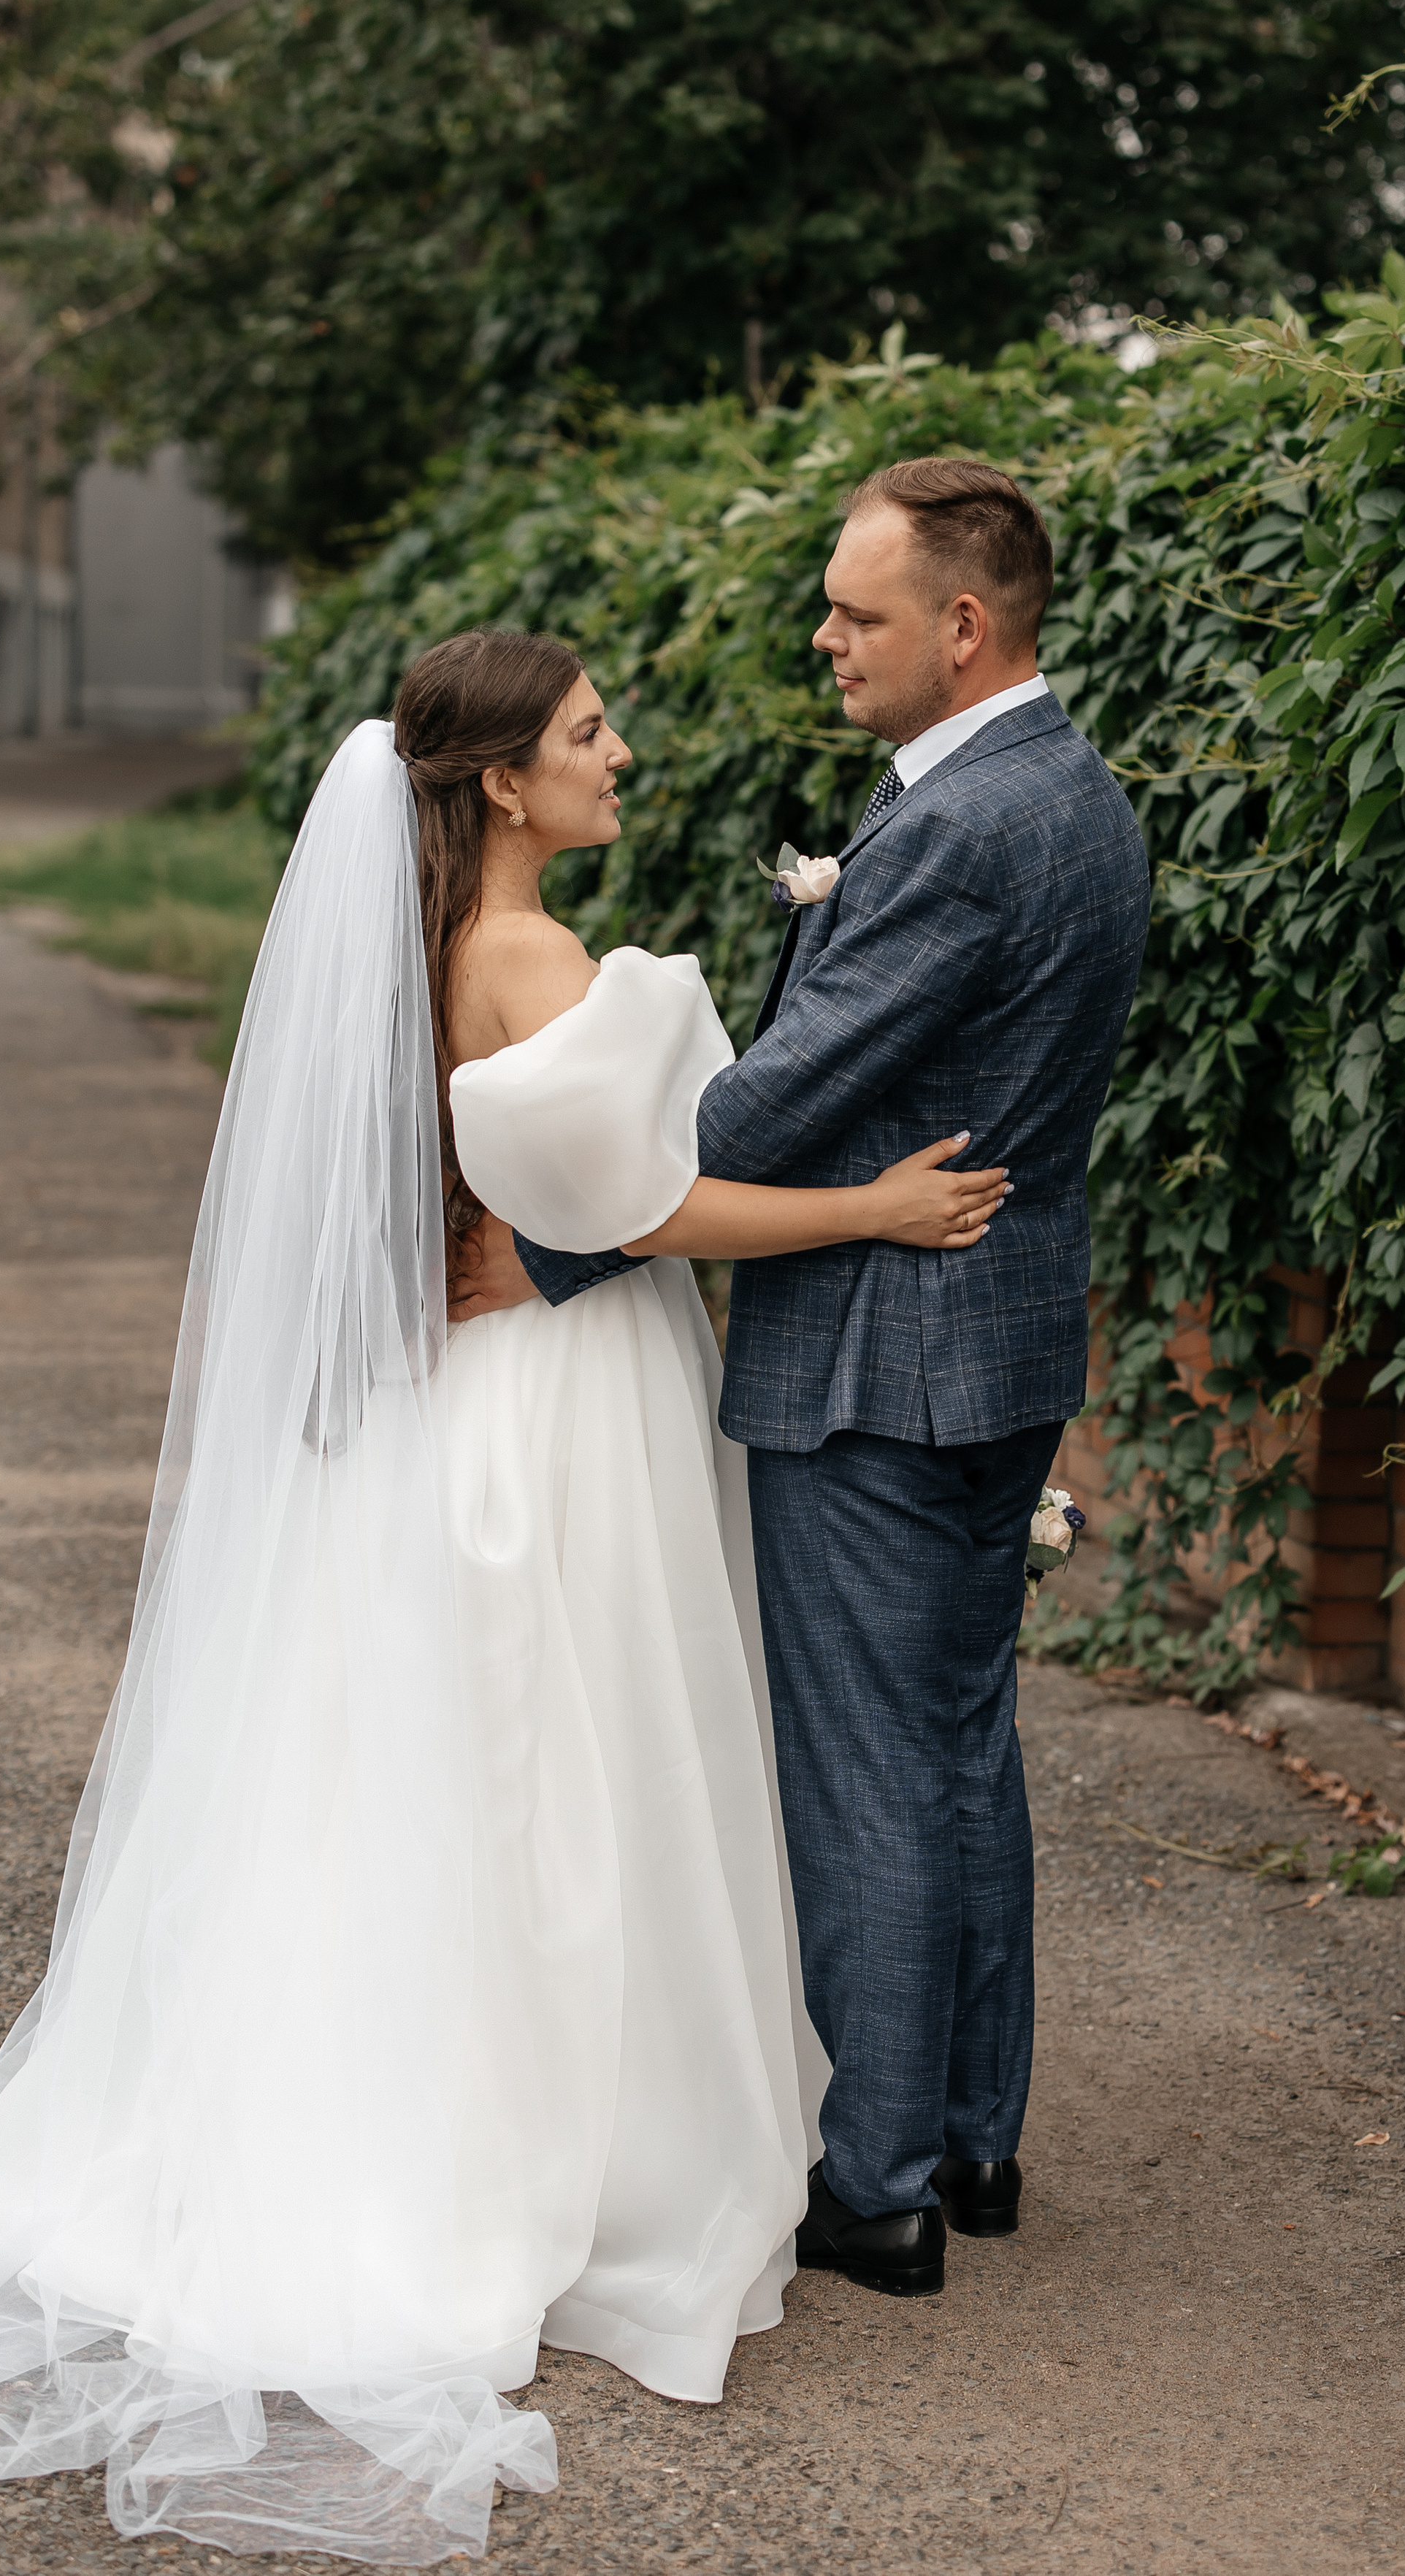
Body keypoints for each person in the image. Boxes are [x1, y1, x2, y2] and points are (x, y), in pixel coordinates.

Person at [0, 632, 1008, 2564]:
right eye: (585, 731)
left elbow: (514, 1213)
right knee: (566, 1768)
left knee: (461, 1778)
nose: (620, 752)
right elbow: (634, 1215)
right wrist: (873, 1210)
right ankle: (560, 2162)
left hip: (469, 1406)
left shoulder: (420, 952)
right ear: (497, 783)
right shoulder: (528, 956)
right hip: (557, 1420)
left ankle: (456, 2113)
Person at [472, 459, 1151, 2299]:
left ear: (961, 625)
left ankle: (874, 2184)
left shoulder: (954, 827)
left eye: (855, 614)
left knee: (867, 1766)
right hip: (996, 1336)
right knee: (950, 1750)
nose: (822, 638)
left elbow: (779, 1093)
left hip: (877, 1355)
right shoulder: (1067, 792)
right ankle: (969, 2139)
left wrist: (566, 1216)